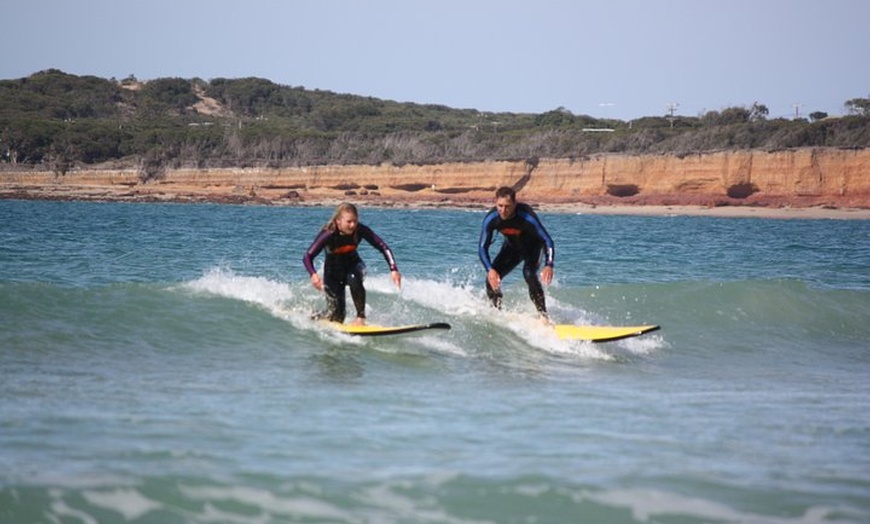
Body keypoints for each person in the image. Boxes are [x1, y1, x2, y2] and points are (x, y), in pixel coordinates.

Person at [303, 203, 402, 325]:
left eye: (355, 221)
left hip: (354, 265)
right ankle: (314, 316)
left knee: (353, 278)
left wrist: (394, 269)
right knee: (337, 317)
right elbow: (307, 256)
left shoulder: (360, 230)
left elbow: (383, 247)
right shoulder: (328, 234)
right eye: (349, 222)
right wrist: (313, 275)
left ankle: (360, 318)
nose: (353, 225)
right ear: (338, 221)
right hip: (332, 272)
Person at [478, 186, 555, 319]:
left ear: (514, 204)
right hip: (511, 249)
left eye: (507, 206)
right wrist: (490, 269)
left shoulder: (526, 217)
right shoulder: (491, 219)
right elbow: (482, 247)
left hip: (533, 248)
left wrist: (549, 265)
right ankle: (497, 312)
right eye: (500, 205)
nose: (503, 210)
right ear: (495, 202)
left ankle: (544, 317)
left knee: (529, 274)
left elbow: (547, 240)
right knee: (491, 279)